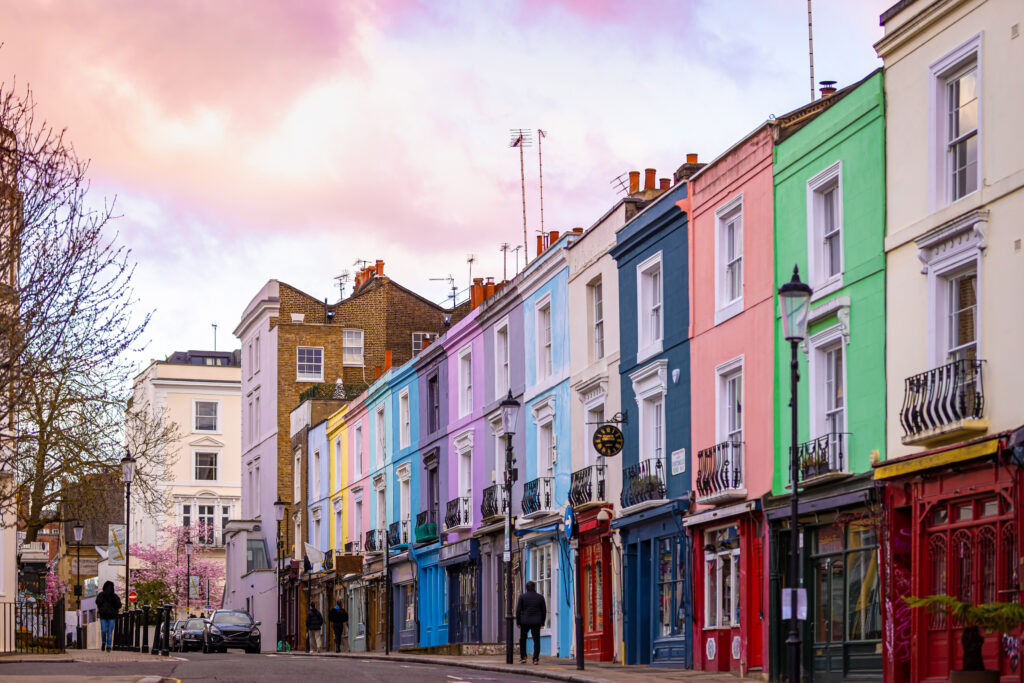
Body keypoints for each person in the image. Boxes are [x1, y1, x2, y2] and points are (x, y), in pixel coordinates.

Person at [515, 580, 546, 665]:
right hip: (536, 621)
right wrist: (542, 622)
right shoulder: (540, 597)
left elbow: (518, 611)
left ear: (526, 588)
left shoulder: (522, 597)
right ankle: (535, 658)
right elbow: (544, 611)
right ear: (534, 587)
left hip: (524, 621)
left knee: (523, 639)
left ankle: (523, 657)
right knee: (536, 640)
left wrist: (518, 622)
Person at [95, 581, 121, 652]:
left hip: (112, 616)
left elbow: (119, 605)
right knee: (104, 631)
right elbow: (97, 602)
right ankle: (104, 642)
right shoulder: (101, 595)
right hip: (103, 616)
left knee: (109, 632)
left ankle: (109, 646)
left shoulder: (114, 596)